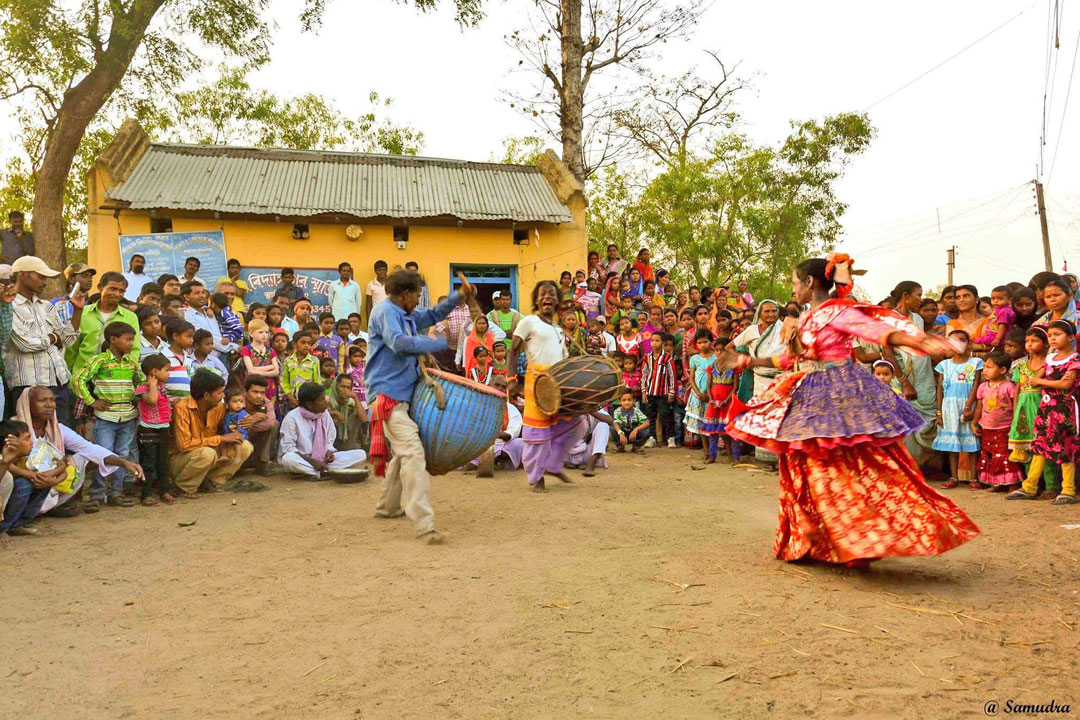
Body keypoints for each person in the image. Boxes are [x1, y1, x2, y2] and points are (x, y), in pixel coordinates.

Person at [729, 256, 978, 567]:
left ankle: (859, 540)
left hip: (839, 396)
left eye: (795, 282)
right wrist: (750, 362)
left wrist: (923, 342)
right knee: (804, 467)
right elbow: (787, 360)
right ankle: (816, 540)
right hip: (809, 396)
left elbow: (875, 331)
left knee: (849, 467)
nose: (792, 289)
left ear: (809, 283)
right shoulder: (805, 318)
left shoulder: (837, 311)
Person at [366, 269, 474, 544]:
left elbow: (434, 314)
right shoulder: (385, 312)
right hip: (387, 396)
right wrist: (435, 343)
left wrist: (458, 297)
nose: (418, 300)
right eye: (417, 295)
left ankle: (387, 507)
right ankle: (424, 524)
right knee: (413, 452)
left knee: (405, 453)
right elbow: (400, 344)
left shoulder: (406, 314)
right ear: (405, 295)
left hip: (400, 395)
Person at [13, 385, 144, 517]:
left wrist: (124, 463)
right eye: (42, 401)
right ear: (27, 404)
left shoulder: (58, 429)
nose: (49, 405)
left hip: (52, 481)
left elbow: (89, 448)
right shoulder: (13, 428)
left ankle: (54, 505)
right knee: (21, 483)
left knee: (83, 457)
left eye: (52, 400)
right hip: (28, 481)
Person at [507, 280, 579, 493]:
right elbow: (513, 351)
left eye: (551, 294)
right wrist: (511, 380)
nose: (547, 297)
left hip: (558, 384)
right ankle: (536, 477)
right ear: (536, 300)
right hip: (538, 383)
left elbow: (563, 359)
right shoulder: (528, 321)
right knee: (537, 435)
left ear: (558, 300)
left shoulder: (558, 329)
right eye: (542, 294)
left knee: (577, 424)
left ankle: (552, 464)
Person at [1006, 319, 1080, 504]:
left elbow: (1066, 384)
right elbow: (1036, 380)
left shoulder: (1075, 359)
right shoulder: (1049, 359)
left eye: (1058, 335)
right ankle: (1029, 486)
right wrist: (1052, 382)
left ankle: (1068, 489)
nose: (1053, 339)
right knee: (1039, 445)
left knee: (1065, 447)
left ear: (1070, 337)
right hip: (1046, 407)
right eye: (1051, 335)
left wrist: (1044, 382)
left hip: (1064, 408)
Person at [70, 321, 143, 507]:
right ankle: (96, 494)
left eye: (132, 340)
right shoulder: (100, 360)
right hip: (106, 416)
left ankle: (115, 493)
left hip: (128, 415)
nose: (131, 344)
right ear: (113, 339)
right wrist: (92, 402)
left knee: (122, 454)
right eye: (127, 340)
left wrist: (138, 396)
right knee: (103, 454)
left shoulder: (132, 364)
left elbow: (141, 382)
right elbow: (78, 379)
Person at [4, 256, 81, 422]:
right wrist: (54, 338)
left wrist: (78, 311)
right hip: (28, 385)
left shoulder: (46, 306)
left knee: (61, 436)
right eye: (41, 277)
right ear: (23, 275)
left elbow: (67, 340)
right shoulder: (9, 305)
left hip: (58, 381)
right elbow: (25, 344)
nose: (45, 282)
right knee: (31, 438)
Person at [169, 369, 252, 499]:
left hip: (207, 455)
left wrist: (252, 419)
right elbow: (184, 445)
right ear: (207, 395)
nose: (223, 396)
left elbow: (236, 417)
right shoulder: (182, 408)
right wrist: (221, 439)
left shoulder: (219, 407)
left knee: (245, 445)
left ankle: (211, 482)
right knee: (207, 453)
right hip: (181, 460)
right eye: (219, 393)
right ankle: (183, 487)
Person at [728, 299, 784, 467]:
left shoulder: (784, 329)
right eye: (767, 311)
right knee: (763, 417)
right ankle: (765, 459)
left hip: (781, 378)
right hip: (759, 378)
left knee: (780, 417)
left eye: (773, 311)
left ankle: (780, 459)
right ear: (760, 313)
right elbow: (730, 346)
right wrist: (745, 361)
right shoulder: (751, 331)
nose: (771, 314)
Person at [66, 271, 140, 387]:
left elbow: (134, 350)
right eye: (112, 289)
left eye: (121, 291)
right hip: (81, 381)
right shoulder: (82, 312)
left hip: (113, 382)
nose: (117, 294)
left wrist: (124, 372)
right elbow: (72, 347)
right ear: (100, 287)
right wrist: (68, 374)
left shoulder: (130, 317)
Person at [932, 328, 982, 488]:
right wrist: (939, 412)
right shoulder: (943, 365)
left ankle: (974, 478)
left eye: (962, 340)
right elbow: (940, 388)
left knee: (971, 441)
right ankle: (954, 477)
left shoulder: (976, 363)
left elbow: (976, 385)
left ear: (969, 344)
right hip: (949, 407)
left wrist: (969, 406)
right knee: (952, 442)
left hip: (968, 404)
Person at [971, 352, 1023, 491]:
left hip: (1005, 427)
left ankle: (1012, 483)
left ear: (1003, 370)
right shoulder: (983, 387)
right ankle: (996, 482)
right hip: (986, 427)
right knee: (989, 454)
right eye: (984, 367)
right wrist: (974, 422)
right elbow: (979, 407)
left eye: (989, 367)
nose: (985, 371)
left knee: (1004, 454)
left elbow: (1015, 406)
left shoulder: (1009, 387)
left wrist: (1016, 425)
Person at [0, 419, 54, 539]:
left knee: (41, 483)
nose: (31, 442)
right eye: (27, 438)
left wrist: (52, 479)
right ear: (10, 442)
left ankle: (16, 525)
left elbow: (59, 466)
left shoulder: (31, 454)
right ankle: (3, 527)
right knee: (20, 483)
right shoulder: (3, 457)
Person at [135, 353, 176, 506]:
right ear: (154, 372)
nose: (168, 373)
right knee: (148, 463)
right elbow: (152, 401)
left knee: (163, 462)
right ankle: (146, 494)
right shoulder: (143, 388)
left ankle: (164, 490)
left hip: (163, 428)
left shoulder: (163, 387)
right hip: (148, 430)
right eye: (166, 370)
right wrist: (152, 385)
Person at [1008, 327, 1048, 469]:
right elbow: (1018, 389)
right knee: (1025, 445)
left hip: (1042, 406)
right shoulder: (1021, 366)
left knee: (1044, 443)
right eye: (1027, 341)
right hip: (1023, 408)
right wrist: (1015, 413)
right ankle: (1029, 483)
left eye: (1035, 341)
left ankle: (1050, 484)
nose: (1029, 344)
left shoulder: (1049, 364)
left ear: (1046, 343)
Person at [182, 281, 237, 360]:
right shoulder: (187, 316)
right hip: (204, 361)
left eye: (203, 292)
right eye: (197, 293)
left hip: (223, 358)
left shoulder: (210, 312)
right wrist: (234, 347)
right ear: (187, 297)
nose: (202, 296)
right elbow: (205, 338)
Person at [237, 376, 277, 478]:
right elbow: (233, 427)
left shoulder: (266, 403)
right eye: (255, 392)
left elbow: (270, 423)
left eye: (262, 393)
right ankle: (238, 465)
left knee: (275, 425)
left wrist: (249, 424)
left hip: (256, 442)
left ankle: (262, 464)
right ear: (245, 392)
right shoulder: (236, 402)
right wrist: (253, 419)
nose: (259, 396)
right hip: (239, 442)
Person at [641, 333, 675, 448]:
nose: (654, 343)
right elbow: (644, 374)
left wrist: (671, 392)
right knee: (651, 415)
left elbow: (672, 376)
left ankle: (670, 437)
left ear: (663, 343)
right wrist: (643, 391)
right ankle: (652, 438)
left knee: (666, 415)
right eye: (652, 340)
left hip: (663, 392)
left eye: (657, 341)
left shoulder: (667, 357)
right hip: (650, 391)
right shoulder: (647, 357)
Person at [971, 286, 1015, 354]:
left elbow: (1002, 325)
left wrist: (997, 339)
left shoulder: (1004, 311)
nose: (996, 301)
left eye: (1000, 299)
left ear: (1009, 300)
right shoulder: (998, 310)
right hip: (993, 336)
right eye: (993, 298)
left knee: (975, 341)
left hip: (997, 337)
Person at [282, 331, 321, 409]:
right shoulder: (288, 360)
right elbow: (284, 381)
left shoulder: (314, 360)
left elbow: (317, 381)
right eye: (303, 343)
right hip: (292, 401)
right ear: (294, 344)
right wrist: (290, 397)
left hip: (308, 401)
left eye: (309, 343)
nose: (306, 346)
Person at [328, 374, 366, 451]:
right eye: (342, 386)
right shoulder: (328, 401)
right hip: (332, 447)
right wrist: (334, 413)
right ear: (336, 386)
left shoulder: (352, 403)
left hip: (350, 448)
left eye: (348, 387)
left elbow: (364, 419)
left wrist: (355, 397)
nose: (345, 390)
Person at [161, 318, 194, 399]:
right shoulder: (163, 357)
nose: (192, 340)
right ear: (176, 336)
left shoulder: (189, 359)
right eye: (188, 336)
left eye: (192, 337)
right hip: (169, 405)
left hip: (186, 404)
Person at [364, 260, 389, 325]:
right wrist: (369, 319)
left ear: (387, 270)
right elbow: (368, 303)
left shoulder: (392, 283)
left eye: (384, 269)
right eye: (379, 270)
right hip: (376, 315)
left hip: (390, 314)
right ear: (375, 271)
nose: (382, 272)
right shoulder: (371, 284)